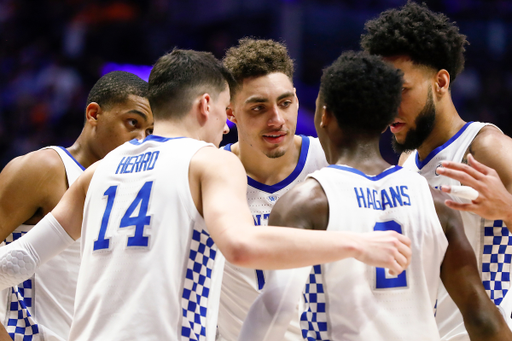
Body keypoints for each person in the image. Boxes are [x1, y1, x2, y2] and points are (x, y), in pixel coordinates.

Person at [0, 48, 411, 341]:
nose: (226, 127)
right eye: (226, 111)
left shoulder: (98, 171)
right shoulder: (209, 161)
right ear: (205, 105)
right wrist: (357, 243)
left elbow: (17, 262)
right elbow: (241, 245)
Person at [238, 50, 512, 341]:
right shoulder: (436, 202)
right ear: (385, 121)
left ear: (324, 115)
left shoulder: (305, 203)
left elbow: (276, 309)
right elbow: (481, 318)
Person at [360, 2, 512, 339]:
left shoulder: (487, 147)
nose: (389, 108)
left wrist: (507, 208)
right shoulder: (407, 161)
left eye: (401, 91)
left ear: (440, 82)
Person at [0, 71, 153, 341]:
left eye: (150, 132)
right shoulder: (45, 168)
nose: (142, 139)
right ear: (93, 114)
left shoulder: (130, 191)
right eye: (132, 122)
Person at [217, 38, 328, 340]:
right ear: (230, 112)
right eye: (258, 108)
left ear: (296, 98)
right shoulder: (209, 173)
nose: (277, 120)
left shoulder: (328, 163)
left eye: (284, 103)